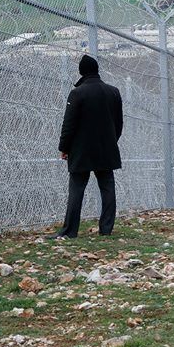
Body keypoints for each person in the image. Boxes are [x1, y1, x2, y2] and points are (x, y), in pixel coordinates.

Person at [50, 55, 123, 239]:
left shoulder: (77, 93)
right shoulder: (113, 92)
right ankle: (106, 229)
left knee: (76, 190)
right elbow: (119, 123)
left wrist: (64, 147)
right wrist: (111, 141)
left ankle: (70, 231)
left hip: (81, 150)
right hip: (106, 148)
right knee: (107, 188)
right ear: (97, 70)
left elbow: (69, 124)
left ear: (81, 72)